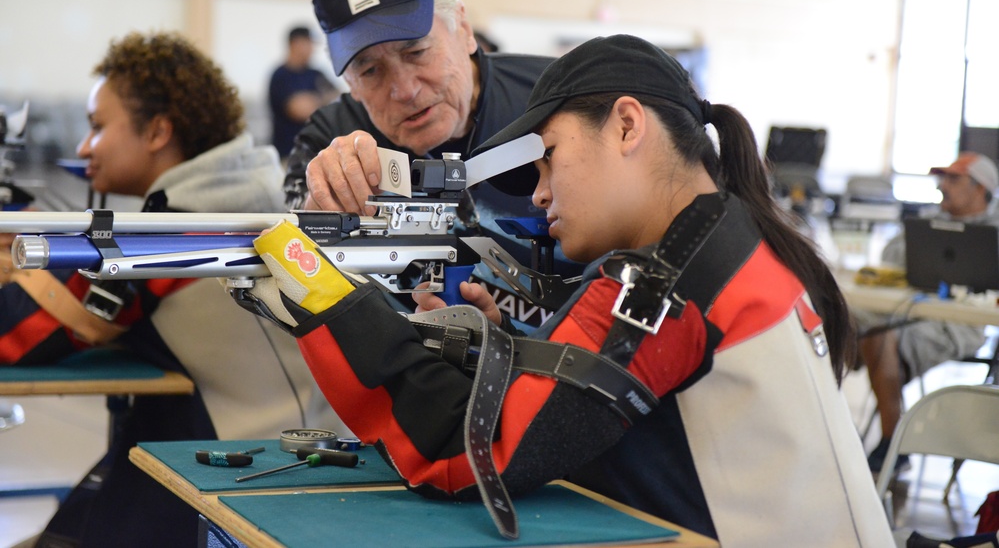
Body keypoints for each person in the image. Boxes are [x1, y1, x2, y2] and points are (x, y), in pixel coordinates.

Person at [242, 34, 893, 546]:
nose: (538, 191)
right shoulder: (735, 238)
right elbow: (611, 402)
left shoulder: (660, 286)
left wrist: (320, 290)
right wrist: (499, 344)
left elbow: (464, 452)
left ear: (626, 126)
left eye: (549, 155)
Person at [0, 32, 345, 548]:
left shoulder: (180, 231)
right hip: (276, 457)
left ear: (159, 130)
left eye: (97, 128)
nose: (82, 147)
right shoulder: (239, 193)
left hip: (236, 482)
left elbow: (17, 329)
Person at [283, 0, 579, 328]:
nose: (403, 89)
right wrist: (321, 203)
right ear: (350, 83)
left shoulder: (561, 99)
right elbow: (288, 255)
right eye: (370, 71)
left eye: (417, 51)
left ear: (465, 30)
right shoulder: (329, 139)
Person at [859, 151, 999, 475]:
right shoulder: (932, 217)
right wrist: (930, 230)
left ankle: (893, 441)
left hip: (962, 325)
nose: (943, 186)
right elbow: (890, 256)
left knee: (877, 337)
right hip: (910, 313)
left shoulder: (994, 229)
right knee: (844, 325)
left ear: (981, 188)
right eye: (942, 178)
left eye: (953, 179)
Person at [267, 25, 337, 159]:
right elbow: (299, 110)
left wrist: (313, 100)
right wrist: (323, 100)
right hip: (288, 153)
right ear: (294, 44)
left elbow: (338, 99)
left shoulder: (316, 73)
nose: (312, 49)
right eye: (308, 43)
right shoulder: (280, 76)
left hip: (317, 152)